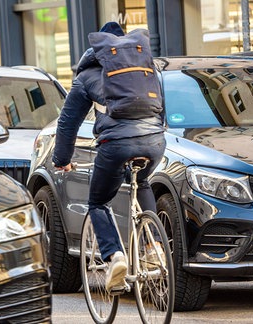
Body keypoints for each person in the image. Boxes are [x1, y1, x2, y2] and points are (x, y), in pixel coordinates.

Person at [52, 22, 166, 291]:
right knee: (143, 182)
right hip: (154, 142)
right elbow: (161, 111)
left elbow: (67, 123)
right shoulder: (145, 70)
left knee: (98, 202)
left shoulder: (86, 77)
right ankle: (155, 248)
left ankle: (115, 257)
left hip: (116, 145)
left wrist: (62, 159)